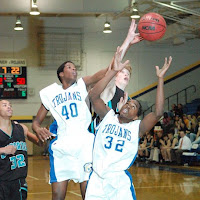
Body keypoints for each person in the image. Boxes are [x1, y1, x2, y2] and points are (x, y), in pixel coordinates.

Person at [32, 19, 142, 200]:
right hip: (63, 144)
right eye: (69, 67)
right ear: (61, 74)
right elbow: (36, 122)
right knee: (57, 196)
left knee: (88, 194)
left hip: (85, 143)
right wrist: (38, 129)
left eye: (75, 67)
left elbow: (111, 68)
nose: (74, 69)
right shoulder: (50, 93)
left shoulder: (82, 84)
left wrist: (127, 41)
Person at [85, 47, 172, 200]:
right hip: (97, 179)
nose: (128, 106)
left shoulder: (136, 128)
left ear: (135, 117)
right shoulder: (108, 116)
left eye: (133, 107)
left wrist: (160, 79)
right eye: (128, 103)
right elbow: (93, 95)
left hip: (119, 182)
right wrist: (112, 71)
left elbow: (158, 113)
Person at [0, 100, 42, 200]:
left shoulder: (21, 128)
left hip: (19, 181)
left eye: (10, 105)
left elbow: (39, 143)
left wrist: (43, 135)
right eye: (4, 105)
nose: (9, 107)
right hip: (2, 181)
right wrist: (2, 150)